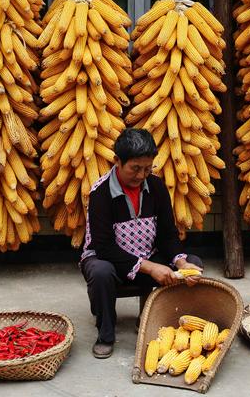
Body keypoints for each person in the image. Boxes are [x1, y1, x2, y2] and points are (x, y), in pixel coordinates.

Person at [80, 128, 204, 358]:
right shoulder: (100, 193)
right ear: (117, 161)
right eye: (135, 168)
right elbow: (104, 248)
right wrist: (150, 267)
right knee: (100, 271)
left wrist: (181, 262)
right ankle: (105, 333)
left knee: (193, 263)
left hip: (147, 253)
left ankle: (150, 318)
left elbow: (167, 235)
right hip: (111, 261)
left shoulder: (155, 187)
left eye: (147, 169)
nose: (141, 176)